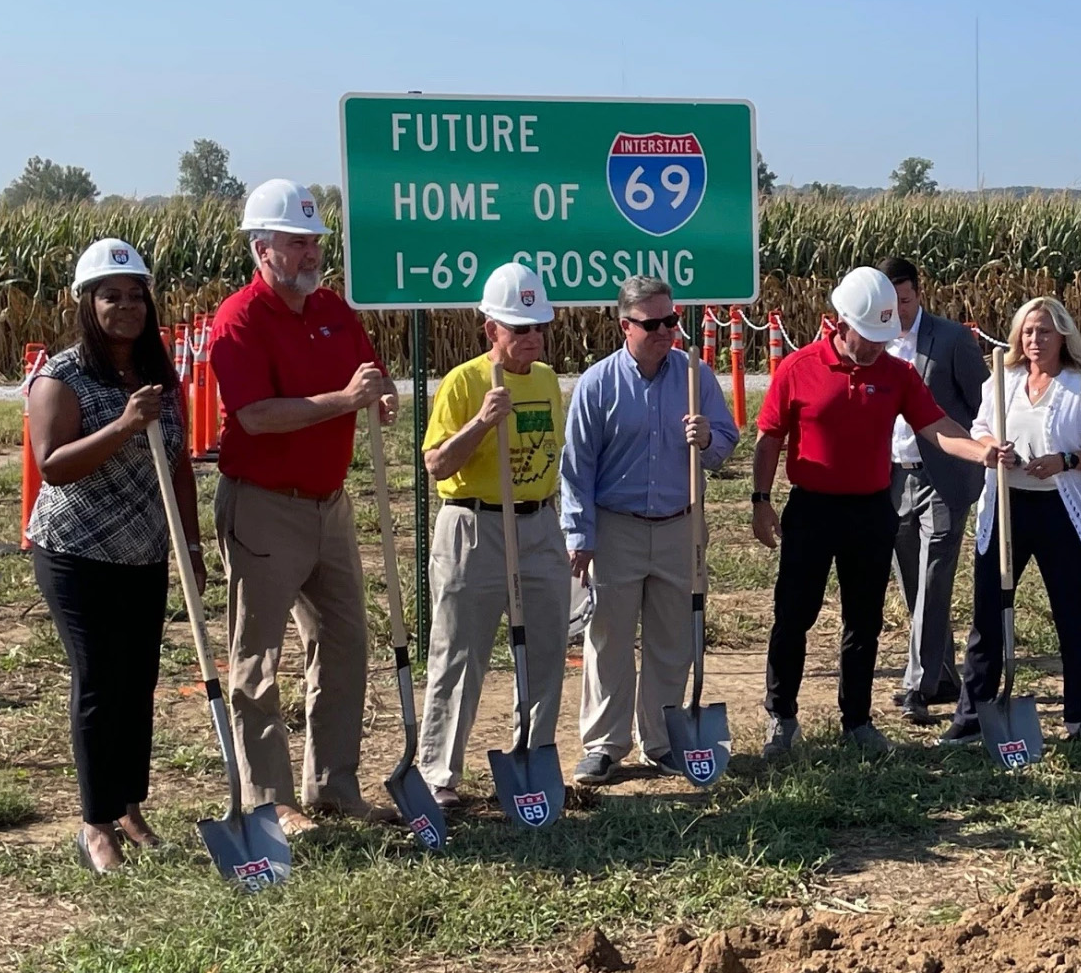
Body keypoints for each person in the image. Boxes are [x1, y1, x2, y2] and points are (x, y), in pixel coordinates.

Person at [753, 266, 1011, 757]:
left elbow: (935, 425)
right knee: (793, 616)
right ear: (839, 322)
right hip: (811, 509)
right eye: (868, 337)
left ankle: (858, 722)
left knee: (864, 621)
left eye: (882, 338)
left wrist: (982, 451)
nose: (875, 348)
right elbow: (769, 438)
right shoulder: (798, 367)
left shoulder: (897, 374)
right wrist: (760, 501)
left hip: (872, 509)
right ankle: (782, 718)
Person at [207, 179, 395, 834]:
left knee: (344, 642)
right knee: (258, 657)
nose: (312, 251)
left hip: (329, 504)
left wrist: (382, 393)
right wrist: (345, 401)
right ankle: (270, 800)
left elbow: (367, 373)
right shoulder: (239, 319)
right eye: (297, 241)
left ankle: (333, 785)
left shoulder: (334, 310)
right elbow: (255, 417)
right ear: (263, 249)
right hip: (263, 506)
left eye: (314, 239)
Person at [27, 239, 198, 873]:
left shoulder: (157, 372)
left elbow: (177, 462)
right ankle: (96, 824)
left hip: (145, 552)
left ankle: (129, 807)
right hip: (78, 553)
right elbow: (53, 465)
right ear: (86, 303)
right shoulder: (62, 376)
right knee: (100, 681)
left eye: (135, 296)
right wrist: (123, 425)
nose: (125, 307)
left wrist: (192, 543)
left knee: (138, 683)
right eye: (111, 296)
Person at [561, 277, 739, 785]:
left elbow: (725, 441)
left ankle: (660, 741)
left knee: (672, 639)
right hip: (617, 527)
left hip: (680, 525)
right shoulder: (598, 384)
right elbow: (577, 468)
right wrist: (580, 534)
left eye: (672, 321)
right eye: (654, 323)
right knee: (609, 638)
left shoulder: (693, 376)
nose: (666, 331)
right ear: (626, 326)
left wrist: (707, 438)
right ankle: (603, 745)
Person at [418, 263, 570, 806]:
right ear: (491, 330)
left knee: (547, 650)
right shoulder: (465, 381)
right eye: (519, 328)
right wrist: (482, 421)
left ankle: (532, 759)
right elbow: (436, 463)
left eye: (537, 327)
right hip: (474, 527)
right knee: (460, 655)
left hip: (538, 526)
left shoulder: (549, 380)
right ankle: (439, 776)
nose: (531, 338)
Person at [941, 297, 1081, 746]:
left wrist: (1065, 460)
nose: (1034, 340)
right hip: (1007, 506)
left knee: (1069, 613)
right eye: (1027, 332)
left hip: (1061, 511)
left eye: (1043, 331)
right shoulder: (1002, 380)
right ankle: (972, 716)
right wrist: (991, 449)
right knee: (988, 611)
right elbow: (979, 428)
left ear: (1062, 335)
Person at [876, 257, 987, 725]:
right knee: (914, 584)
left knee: (935, 576)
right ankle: (941, 674)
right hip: (893, 476)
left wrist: (981, 453)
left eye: (904, 300)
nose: (898, 310)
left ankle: (915, 685)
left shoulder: (953, 339)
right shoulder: (873, 342)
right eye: (889, 302)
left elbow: (983, 405)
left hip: (943, 476)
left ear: (918, 294)